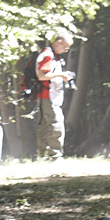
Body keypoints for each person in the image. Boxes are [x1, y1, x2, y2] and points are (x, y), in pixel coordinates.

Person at [35, 31, 74, 159]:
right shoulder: (48, 56)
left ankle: (43, 154)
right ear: (58, 42)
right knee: (56, 123)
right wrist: (61, 75)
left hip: (51, 95)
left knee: (46, 125)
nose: (66, 50)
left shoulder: (53, 56)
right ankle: (55, 155)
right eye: (65, 46)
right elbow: (42, 76)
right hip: (48, 96)